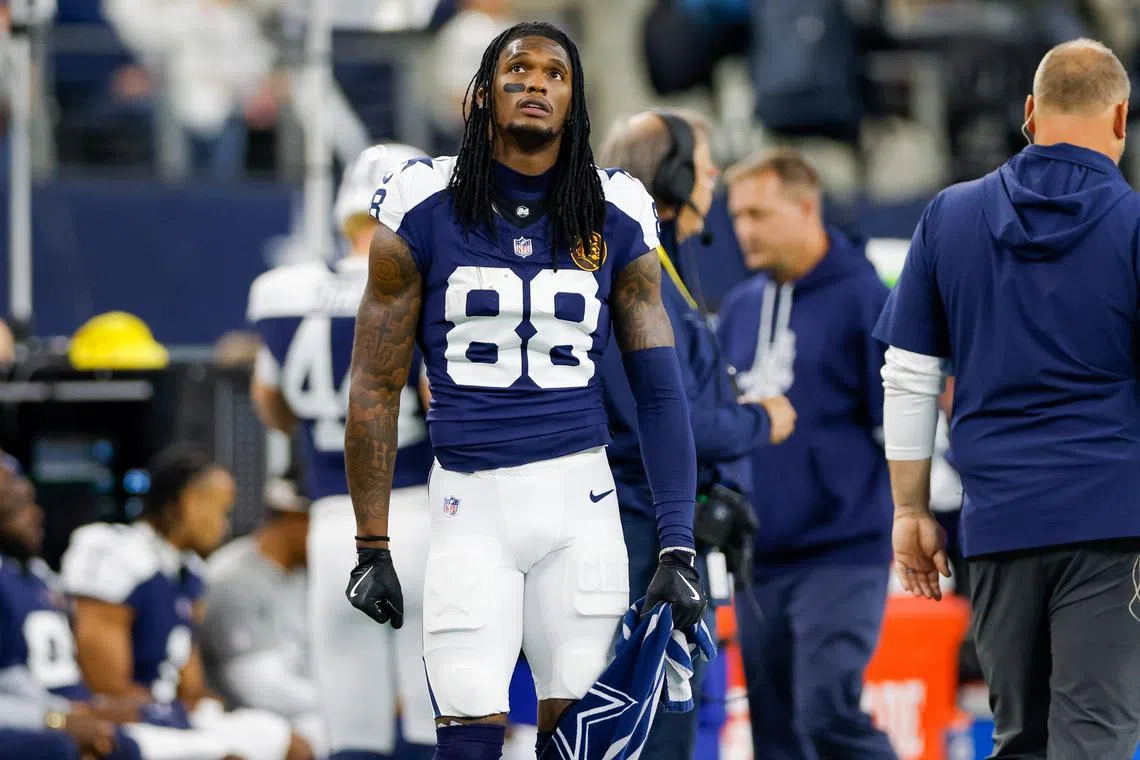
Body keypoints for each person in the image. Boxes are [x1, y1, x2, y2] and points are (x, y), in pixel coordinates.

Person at [346, 20, 707, 760]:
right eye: (517, 68)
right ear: (483, 92)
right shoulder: (422, 200)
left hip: (581, 501)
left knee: (581, 743)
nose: (535, 82)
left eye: (555, 73)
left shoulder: (617, 210)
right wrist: (370, 541)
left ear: (575, 102)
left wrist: (678, 547)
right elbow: (377, 384)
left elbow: (661, 395)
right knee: (468, 737)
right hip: (466, 503)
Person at [874, 38, 1140, 759]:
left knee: (1019, 738)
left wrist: (909, 510)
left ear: (1030, 112)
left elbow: (908, 375)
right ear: (1121, 119)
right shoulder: (1135, 225)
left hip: (998, 528)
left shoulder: (948, 218)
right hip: (1113, 527)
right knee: (1100, 737)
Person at [595, 108, 796, 758]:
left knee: (674, 723)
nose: (713, 181)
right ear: (674, 176)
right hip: (639, 539)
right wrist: (761, 420)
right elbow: (664, 422)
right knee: (654, 729)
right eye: (706, 167)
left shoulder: (660, 267)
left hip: (657, 534)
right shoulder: (632, 274)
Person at [246, 141, 438, 760]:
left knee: (352, 727)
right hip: (419, 510)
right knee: (431, 710)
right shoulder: (427, 287)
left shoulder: (287, 293)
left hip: (333, 521)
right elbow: (441, 400)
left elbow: (269, 401)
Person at [719, 149, 896, 760]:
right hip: (758, 561)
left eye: (759, 214)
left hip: (842, 552)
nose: (744, 230)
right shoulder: (740, 306)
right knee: (775, 738)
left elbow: (895, 428)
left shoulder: (865, 298)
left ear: (805, 206)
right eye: (737, 215)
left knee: (827, 715)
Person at [58, 444, 311, 760]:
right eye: (222, 510)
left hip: (168, 716)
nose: (226, 525)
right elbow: (106, 689)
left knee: (291, 743)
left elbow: (190, 683)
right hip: (123, 722)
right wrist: (174, 715)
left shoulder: (190, 572)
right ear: (191, 503)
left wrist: (202, 706)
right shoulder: (116, 555)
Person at [0, 469, 248, 760]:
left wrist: (68, 712)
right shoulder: (118, 555)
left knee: (263, 739)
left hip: (72, 709)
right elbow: (102, 679)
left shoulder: (35, 575)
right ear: (189, 503)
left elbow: (17, 676)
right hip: (57, 725)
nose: (36, 514)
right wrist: (58, 718)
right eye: (14, 505)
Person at [199, 474, 324, 755]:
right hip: (247, 719)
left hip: (305, 711)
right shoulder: (233, 577)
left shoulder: (304, 573)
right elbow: (258, 687)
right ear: (295, 519)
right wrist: (346, 701)